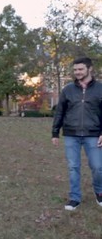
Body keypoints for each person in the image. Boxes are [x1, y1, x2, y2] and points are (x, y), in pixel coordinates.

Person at [52, 57, 102, 211]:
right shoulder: (68, 90)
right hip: (71, 135)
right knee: (73, 167)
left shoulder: (100, 88)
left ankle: (99, 192)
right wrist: (55, 132)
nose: (77, 72)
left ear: (89, 69)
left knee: (98, 167)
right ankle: (75, 198)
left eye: (80, 69)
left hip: (93, 135)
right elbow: (60, 112)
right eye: (75, 70)